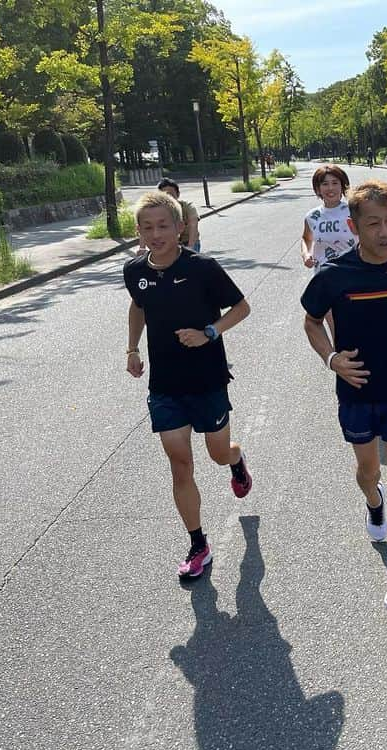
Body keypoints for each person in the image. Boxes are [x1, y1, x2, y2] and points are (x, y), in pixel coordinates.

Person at [301, 180, 387, 621]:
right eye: (374, 223)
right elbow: (312, 323)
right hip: (357, 390)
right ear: (354, 225)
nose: (385, 232)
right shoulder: (334, 276)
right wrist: (331, 359)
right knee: (367, 473)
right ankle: (372, 503)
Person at [124, 190, 254, 582]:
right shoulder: (135, 271)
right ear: (139, 232)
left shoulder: (203, 268)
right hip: (165, 385)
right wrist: (131, 348)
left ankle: (235, 461)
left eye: (164, 225)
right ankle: (199, 544)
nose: (156, 233)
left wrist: (209, 332)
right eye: (147, 227)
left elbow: (241, 307)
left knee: (217, 453)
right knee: (180, 464)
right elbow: (138, 306)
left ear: (181, 227)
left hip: (206, 380)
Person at [301, 164, 357, 271]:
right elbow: (306, 238)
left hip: (352, 273)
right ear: (318, 189)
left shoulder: (354, 211)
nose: (330, 188)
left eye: (335, 183)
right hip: (324, 275)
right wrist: (306, 254)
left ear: (342, 186)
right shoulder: (312, 216)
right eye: (325, 184)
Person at [138, 178, 201, 254]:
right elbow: (145, 226)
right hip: (167, 241)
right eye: (164, 196)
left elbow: (193, 225)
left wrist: (191, 247)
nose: (168, 199)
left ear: (178, 194)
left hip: (188, 241)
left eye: (171, 195)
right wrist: (142, 248)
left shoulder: (188, 207)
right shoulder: (155, 211)